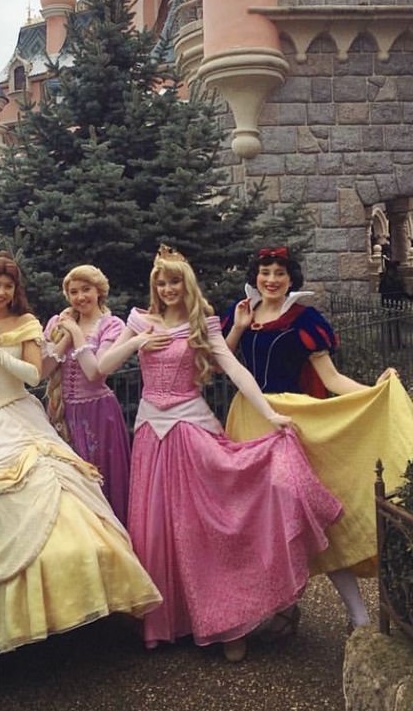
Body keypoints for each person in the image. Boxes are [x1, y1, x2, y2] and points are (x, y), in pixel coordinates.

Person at [98, 246, 343, 662]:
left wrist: (269, 412)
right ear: (154, 285)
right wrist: (138, 339)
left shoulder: (203, 324)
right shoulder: (140, 319)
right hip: (150, 436)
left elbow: (233, 369)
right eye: (162, 282)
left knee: (203, 530)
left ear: (186, 284)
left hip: (191, 429)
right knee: (155, 531)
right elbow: (101, 367)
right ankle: (168, 622)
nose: (168, 288)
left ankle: (227, 620)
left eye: (175, 281)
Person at [0, 253, 161, 656]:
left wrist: (0, 355)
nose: (1, 291)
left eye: (8, 286)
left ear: (15, 291)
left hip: (18, 414)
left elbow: (33, 375)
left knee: (58, 488)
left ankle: (79, 596)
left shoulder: (28, 324)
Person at [222, 246, 413, 631]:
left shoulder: (304, 320)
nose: (271, 279)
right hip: (247, 419)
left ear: (291, 278)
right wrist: (239, 327)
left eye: (279, 272)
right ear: (255, 277)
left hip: (291, 421)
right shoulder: (242, 313)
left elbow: (331, 380)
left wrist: (371, 392)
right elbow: (219, 361)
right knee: (262, 521)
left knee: (313, 518)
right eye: (265, 272)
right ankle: (281, 607)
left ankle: (357, 615)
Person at [42, 264, 131, 524]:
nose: (80, 297)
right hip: (63, 414)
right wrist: (64, 338)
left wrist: (77, 334)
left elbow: (95, 373)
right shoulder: (57, 324)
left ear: (99, 291)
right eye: (73, 292)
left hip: (99, 415)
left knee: (100, 482)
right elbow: (43, 371)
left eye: (86, 290)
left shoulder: (112, 325)